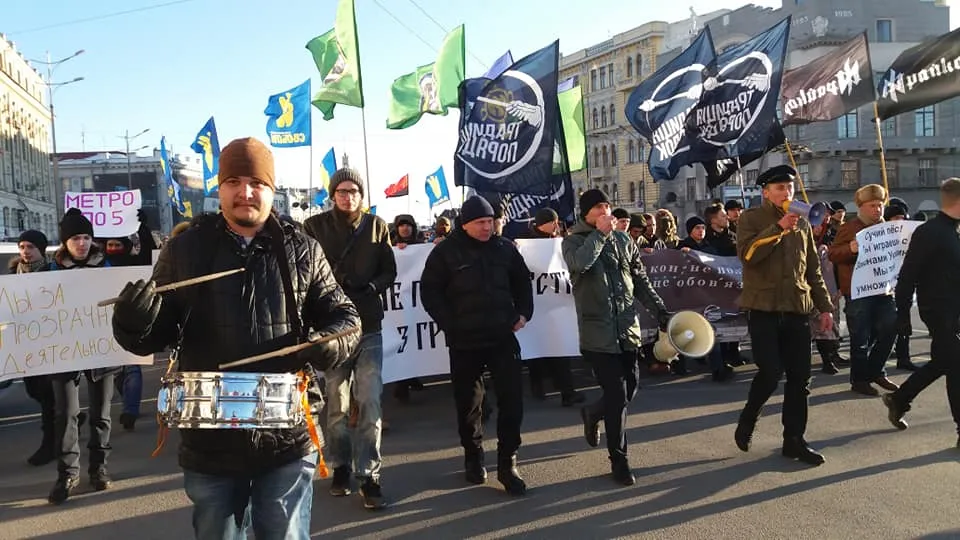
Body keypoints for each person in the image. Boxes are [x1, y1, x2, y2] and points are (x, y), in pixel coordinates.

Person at [113, 137, 361, 537]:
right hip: (210, 444)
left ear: (271, 188)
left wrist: (329, 342)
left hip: (287, 434)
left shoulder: (303, 249)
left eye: (256, 183)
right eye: (233, 181)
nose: (245, 192)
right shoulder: (184, 249)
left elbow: (346, 318)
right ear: (220, 187)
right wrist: (132, 320)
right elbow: (150, 338)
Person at [420, 196, 533, 496]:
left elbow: (523, 282)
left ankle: (508, 463)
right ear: (465, 224)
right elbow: (430, 292)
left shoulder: (505, 248)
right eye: (480, 223)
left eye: (490, 221)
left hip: (501, 337)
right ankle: (473, 456)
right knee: (469, 405)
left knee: (512, 401)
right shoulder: (445, 253)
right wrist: (450, 323)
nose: (487, 227)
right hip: (464, 341)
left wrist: (524, 312)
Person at [303, 167, 397, 510]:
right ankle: (341, 465)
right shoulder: (314, 227)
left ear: (361, 194)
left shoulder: (377, 226)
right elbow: (304, 272)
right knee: (337, 404)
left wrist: (371, 287)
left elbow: (390, 269)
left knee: (370, 400)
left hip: (369, 325)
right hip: (332, 329)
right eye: (341, 191)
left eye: (353, 191)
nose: (348, 196)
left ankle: (369, 476)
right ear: (332, 195)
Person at [563, 189, 670, 485]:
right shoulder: (574, 240)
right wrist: (598, 235)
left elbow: (639, 280)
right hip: (598, 332)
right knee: (617, 394)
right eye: (599, 207)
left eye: (608, 205)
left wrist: (660, 310)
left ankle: (592, 413)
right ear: (587, 213)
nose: (606, 210)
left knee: (629, 389)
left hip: (626, 330)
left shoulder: (624, 241)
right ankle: (619, 460)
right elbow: (579, 265)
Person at [733, 165, 834, 467]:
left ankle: (794, 440)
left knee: (800, 379)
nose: (786, 193)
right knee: (770, 372)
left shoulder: (803, 223)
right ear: (765, 192)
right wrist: (778, 229)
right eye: (779, 188)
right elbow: (748, 256)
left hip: (796, 309)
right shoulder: (751, 219)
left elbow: (812, 268)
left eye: (789, 188)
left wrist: (825, 307)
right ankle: (749, 417)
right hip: (763, 309)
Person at [47, 209, 117, 504]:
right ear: (66, 242)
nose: (83, 243)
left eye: (87, 237)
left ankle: (98, 468)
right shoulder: (50, 273)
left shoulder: (107, 267)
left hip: (101, 352)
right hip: (64, 354)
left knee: (101, 414)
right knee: (66, 415)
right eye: (76, 238)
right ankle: (67, 474)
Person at [882, 178, 960, 442]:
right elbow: (907, 276)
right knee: (956, 365)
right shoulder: (929, 232)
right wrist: (902, 315)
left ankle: (899, 398)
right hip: (938, 311)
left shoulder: (954, 232)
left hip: (955, 311)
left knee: (942, 362)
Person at [828, 184, 899, 397]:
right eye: (872, 205)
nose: (877, 209)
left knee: (890, 328)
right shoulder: (850, 227)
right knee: (860, 338)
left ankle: (876, 370)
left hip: (884, 289)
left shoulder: (889, 227)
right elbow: (833, 254)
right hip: (859, 291)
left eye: (880, 205)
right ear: (862, 207)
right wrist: (850, 249)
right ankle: (859, 380)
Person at [521, 208, 584, 407]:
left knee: (560, 347)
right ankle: (538, 387)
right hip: (537, 305)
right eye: (553, 222)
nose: (557, 226)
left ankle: (567, 391)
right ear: (542, 223)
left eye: (557, 222)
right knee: (537, 349)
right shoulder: (527, 243)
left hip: (557, 306)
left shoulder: (561, 242)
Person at [10, 230, 61, 467]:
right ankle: (69, 419)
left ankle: (50, 444)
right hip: (24, 346)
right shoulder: (12, 275)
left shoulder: (53, 272)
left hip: (50, 345)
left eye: (30, 246)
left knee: (48, 395)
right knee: (35, 391)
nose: (25, 251)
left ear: (41, 249)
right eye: (22, 247)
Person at [100, 236, 144, 430]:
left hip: (130, 324)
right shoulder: (100, 265)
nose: (113, 248)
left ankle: (130, 410)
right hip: (102, 326)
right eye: (110, 245)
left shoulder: (136, 264)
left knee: (133, 368)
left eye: (118, 245)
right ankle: (128, 399)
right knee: (117, 372)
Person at [389, 214, 426, 404]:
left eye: (408, 225)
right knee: (401, 343)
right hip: (399, 307)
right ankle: (402, 385)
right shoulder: (389, 247)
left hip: (417, 304)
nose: (405, 229)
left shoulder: (422, 245)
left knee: (415, 341)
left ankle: (413, 376)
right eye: (401, 226)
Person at [884, 199, 918, 372]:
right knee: (885, 325)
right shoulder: (881, 237)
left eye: (902, 217)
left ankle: (903, 357)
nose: (900, 221)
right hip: (884, 289)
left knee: (904, 323)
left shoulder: (910, 237)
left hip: (903, 286)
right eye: (895, 217)